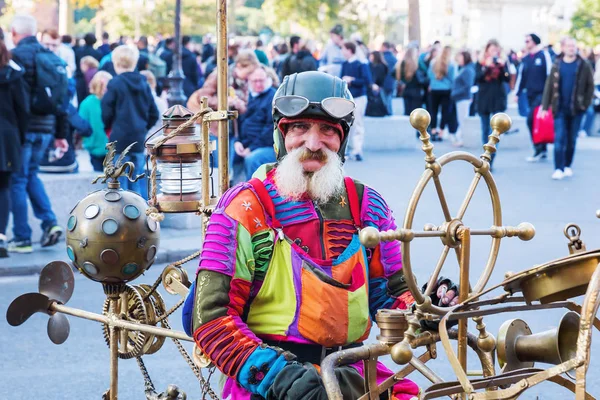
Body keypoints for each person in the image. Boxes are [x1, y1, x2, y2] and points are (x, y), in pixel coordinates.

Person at [184, 70, 458, 400]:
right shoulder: (244, 206)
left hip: (354, 370)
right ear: (280, 134)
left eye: (328, 129)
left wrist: (425, 307)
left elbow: (390, 291)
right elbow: (210, 320)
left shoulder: (367, 205)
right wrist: (279, 377)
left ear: (342, 138)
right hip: (269, 382)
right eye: (300, 127)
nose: (313, 144)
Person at [9, 14, 69, 253]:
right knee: (31, 175)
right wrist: (61, 134)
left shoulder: (16, 57)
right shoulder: (51, 57)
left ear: (14, 33)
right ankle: (50, 222)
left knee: (17, 179)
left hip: (24, 130)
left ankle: (22, 237)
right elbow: (62, 100)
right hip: (46, 129)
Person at [101, 45, 159, 197]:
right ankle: (140, 216)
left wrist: (108, 126)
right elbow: (154, 113)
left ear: (115, 63)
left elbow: (106, 110)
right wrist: (143, 127)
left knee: (117, 184)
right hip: (138, 138)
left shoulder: (115, 83)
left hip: (119, 138)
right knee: (136, 179)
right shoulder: (144, 83)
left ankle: (122, 217)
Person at [540, 37, 594, 180]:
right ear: (563, 48)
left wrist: (585, 104)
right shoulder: (557, 64)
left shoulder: (584, 64)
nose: (572, 48)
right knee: (559, 138)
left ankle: (567, 165)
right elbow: (549, 86)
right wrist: (545, 106)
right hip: (559, 109)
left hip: (577, 110)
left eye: (573, 46)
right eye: (569, 46)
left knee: (571, 139)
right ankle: (558, 168)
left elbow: (590, 86)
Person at [0, 27, 29, 257]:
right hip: (7, 137)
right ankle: (0, 238)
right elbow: (23, 110)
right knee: (4, 188)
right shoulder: (14, 73)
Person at [233, 65, 277, 180]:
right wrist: (238, 142)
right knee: (229, 154)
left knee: (252, 159)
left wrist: (251, 148)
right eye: (254, 81)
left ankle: (252, 194)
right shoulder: (251, 96)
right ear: (249, 82)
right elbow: (242, 123)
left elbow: (270, 130)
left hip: (267, 146)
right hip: (249, 143)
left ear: (267, 79)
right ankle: (232, 190)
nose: (258, 84)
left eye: (261, 80)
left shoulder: (272, 97)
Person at [515, 33, 552, 162]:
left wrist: (550, 94)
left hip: (542, 95)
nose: (526, 42)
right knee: (537, 122)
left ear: (534, 42)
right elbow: (521, 77)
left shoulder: (544, 55)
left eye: (528, 40)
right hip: (530, 95)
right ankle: (542, 149)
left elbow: (550, 75)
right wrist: (517, 93)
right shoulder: (526, 59)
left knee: (531, 120)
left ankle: (538, 148)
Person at [475, 40, 509, 164]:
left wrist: (503, 66)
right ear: (487, 50)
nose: (494, 52)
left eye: (496, 49)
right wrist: (486, 67)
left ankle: (491, 157)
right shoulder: (480, 63)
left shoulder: (502, 62)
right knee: (485, 129)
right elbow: (477, 78)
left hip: (497, 99)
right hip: (484, 99)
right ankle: (486, 154)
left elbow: (507, 78)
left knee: (495, 131)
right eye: (491, 49)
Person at [341, 41, 371, 161]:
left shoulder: (360, 64)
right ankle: (347, 149)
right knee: (347, 123)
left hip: (359, 97)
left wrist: (352, 80)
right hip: (348, 98)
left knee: (358, 123)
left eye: (343, 49)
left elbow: (366, 80)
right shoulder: (345, 64)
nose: (342, 52)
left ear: (349, 50)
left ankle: (357, 149)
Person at [79, 71, 112, 172]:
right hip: (96, 147)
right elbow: (82, 126)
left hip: (108, 147)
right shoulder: (87, 103)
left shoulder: (87, 102)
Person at [427, 46, 455, 141]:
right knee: (445, 112)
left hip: (434, 89)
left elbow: (429, 75)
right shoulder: (451, 64)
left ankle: (433, 130)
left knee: (433, 111)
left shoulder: (433, 62)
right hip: (446, 90)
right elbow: (453, 78)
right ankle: (441, 132)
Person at [450, 50, 476, 147]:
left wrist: (455, 93)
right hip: (460, 97)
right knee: (461, 118)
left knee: (463, 119)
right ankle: (460, 137)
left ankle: (462, 138)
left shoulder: (467, 70)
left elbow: (467, 85)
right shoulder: (464, 69)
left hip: (463, 97)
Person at [398, 47, 427, 117]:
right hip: (416, 90)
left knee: (408, 113)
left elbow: (398, 76)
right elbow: (426, 72)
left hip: (406, 90)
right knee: (416, 114)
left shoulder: (402, 64)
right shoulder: (418, 63)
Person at [74, 33, 102, 104]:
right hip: (93, 79)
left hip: (80, 79)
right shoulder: (98, 53)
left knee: (80, 100)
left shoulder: (78, 51)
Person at [140, 70, 168, 137]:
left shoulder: (138, 101)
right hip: (157, 140)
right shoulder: (161, 102)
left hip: (142, 140)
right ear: (154, 84)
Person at [366, 51, 389, 117]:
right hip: (380, 86)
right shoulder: (382, 65)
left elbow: (376, 77)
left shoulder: (378, 66)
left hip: (376, 87)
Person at [380, 41, 398, 115]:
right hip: (391, 80)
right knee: (389, 97)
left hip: (383, 80)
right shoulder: (394, 58)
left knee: (384, 97)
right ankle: (389, 111)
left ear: (384, 47)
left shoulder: (382, 58)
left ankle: (385, 111)